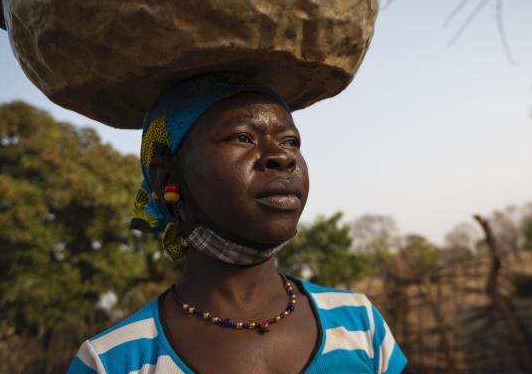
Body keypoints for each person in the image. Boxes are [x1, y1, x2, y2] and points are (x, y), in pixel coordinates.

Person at [67, 74, 410, 373]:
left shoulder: (360, 325)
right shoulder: (112, 361)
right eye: (242, 137)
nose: (283, 156)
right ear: (166, 178)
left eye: (290, 141)